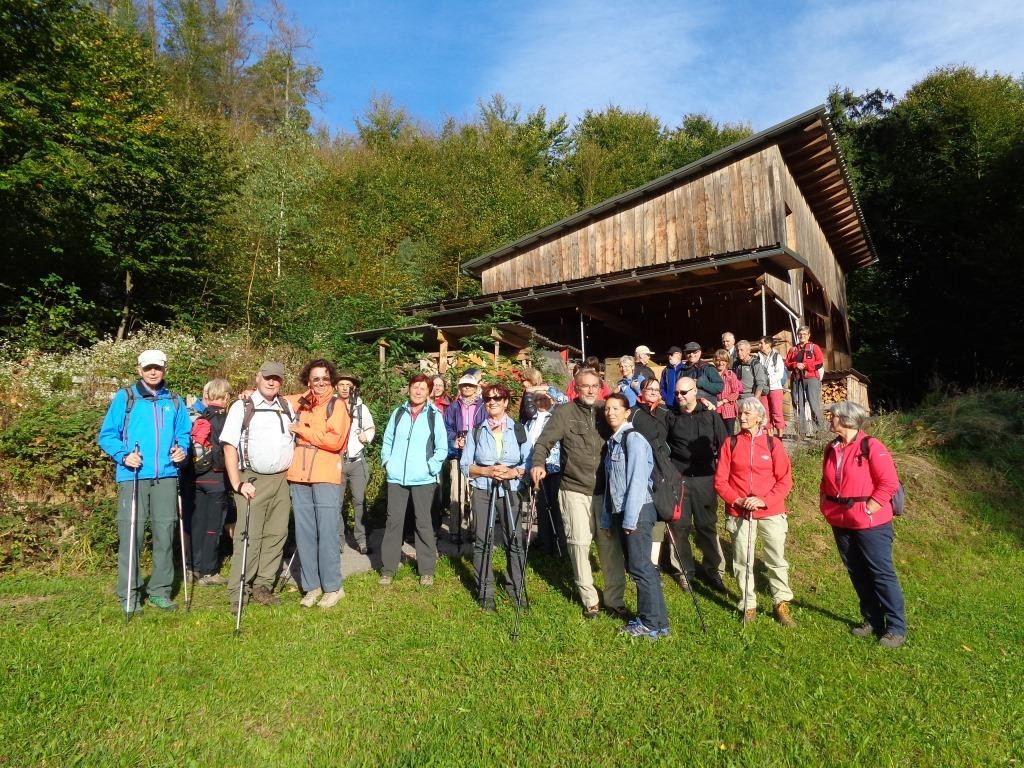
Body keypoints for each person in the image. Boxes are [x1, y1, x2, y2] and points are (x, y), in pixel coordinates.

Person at [98, 349, 191, 613]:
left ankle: (160, 591)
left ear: (165, 370)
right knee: (132, 537)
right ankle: (130, 594)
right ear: (139, 369)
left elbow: (184, 433)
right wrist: (124, 455)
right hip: (134, 476)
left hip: (167, 476)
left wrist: (181, 449)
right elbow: (107, 435)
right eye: (148, 367)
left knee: (165, 535)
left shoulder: (174, 401)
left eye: (158, 368)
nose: (153, 372)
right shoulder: (126, 398)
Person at [530, 368, 627, 620]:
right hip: (574, 489)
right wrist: (538, 463)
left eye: (595, 386)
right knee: (579, 544)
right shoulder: (564, 413)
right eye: (586, 386)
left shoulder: (607, 411)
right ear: (576, 387)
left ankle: (614, 600)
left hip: (605, 493)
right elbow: (544, 442)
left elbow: (628, 433)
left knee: (610, 547)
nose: (591, 390)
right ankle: (590, 600)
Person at [820, 401, 907, 648]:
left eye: (833, 416)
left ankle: (896, 628)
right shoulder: (831, 448)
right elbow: (825, 482)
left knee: (880, 574)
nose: (830, 418)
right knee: (857, 572)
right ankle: (872, 620)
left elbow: (888, 483)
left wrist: (870, 507)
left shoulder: (872, 446)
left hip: (871, 524)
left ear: (846, 419)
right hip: (840, 521)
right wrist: (825, 504)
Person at [221, 362, 296, 613]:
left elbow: (314, 394)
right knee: (248, 537)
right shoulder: (242, 406)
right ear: (258, 378)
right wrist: (237, 483)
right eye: (267, 377)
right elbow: (229, 446)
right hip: (251, 480)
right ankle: (238, 590)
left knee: (277, 535)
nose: (272, 382)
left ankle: (263, 585)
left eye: (277, 378)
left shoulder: (286, 406)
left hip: (282, 479)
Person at [715, 398, 795, 625]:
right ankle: (748, 604)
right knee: (742, 559)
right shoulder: (730, 443)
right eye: (741, 413)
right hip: (739, 512)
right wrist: (737, 499)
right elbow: (721, 481)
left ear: (760, 417)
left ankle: (781, 602)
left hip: (771, 511)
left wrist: (763, 501)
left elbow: (784, 481)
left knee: (776, 558)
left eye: (748, 413)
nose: (742, 417)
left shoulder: (773, 444)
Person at [600, 393, 669, 639]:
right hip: (625, 511)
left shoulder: (634, 439)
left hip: (638, 510)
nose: (610, 412)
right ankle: (658, 622)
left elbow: (638, 482)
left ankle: (650, 623)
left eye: (616, 408)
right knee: (642, 567)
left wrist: (629, 520)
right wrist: (608, 519)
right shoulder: (613, 442)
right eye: (607, 408)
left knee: (640, 568)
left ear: (627, 412)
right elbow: (612, 486)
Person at [284, 360, 351, 610]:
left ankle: (333, 587)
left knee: (327, 533)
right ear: (308, 381)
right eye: (315, 379)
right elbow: (280, 399)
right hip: (299, 475)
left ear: (331, 380)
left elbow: (334, 441)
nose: (320, 383)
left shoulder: (337, 405)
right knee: (304, 534)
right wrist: (253, 393)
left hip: (325, 475)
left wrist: (303, 430)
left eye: (324, 378)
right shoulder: (303, 400)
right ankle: (312, 586)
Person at [461, 383, 529, 610]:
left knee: (515, 539)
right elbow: (465, 466)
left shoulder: (519, 429)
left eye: (498, 398)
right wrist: (486, 471)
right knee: (482, 541)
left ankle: (516, 588)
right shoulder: (477, 431)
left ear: (506, 402)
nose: (492, 402)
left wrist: (513, 472)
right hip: (483, 489)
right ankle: (485, 592)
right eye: (488, 399)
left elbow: (528, 462)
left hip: (510, 490)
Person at [379, 374, 448, 586]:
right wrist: (387, 463)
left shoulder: (434, 415)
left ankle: (426, 569)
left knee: (423, 522)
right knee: (393, 522)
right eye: (414, 387)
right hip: (397, 477)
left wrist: (431, 467)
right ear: (408, 389)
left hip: (423, 479)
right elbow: (387, 439)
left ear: (429, 392)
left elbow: (442, 448)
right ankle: (388, 569)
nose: (418, 391)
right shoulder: (398, 413)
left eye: (422, 388)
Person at [665, 376, 728, 593]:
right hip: (680, 480)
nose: (679, 397)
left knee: (707, 526)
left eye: (684, 392)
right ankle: (684, 572)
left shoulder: (710, 416)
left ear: (695, 392)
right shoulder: (670, 417)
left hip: (705, 479)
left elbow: (725, 447)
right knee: (679, 528)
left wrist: (723, 478)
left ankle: (714, 571)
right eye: (676, 393)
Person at [190, 378, 233, 587]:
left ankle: (193, 566)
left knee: (198, 522)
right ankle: (209, 572)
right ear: (226, 397)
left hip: (196, 475)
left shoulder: (198, 416)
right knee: (213, 526)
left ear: (206, 396)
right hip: (216, 476)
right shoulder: (225, 419)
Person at [628, 378, 673, 565]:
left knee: (661, 513)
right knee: (641, 513)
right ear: (642, 391)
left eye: (656, 389)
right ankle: (638, 558)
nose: (654, 392)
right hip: (641, 470)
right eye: (649, 389)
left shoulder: (665, 412)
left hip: (663, 470)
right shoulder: (632, 413)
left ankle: (653, 562)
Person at [337, 371, 376, 556]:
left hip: (356, 460)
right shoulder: (331, 406)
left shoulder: (361, 408)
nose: (345, 388)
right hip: (335, 462)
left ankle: (362, 540)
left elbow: (370, 428)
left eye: (348, 385)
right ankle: (338, 540)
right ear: (336, 387)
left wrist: (366, 437)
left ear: (353, 388)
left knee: (359, 501)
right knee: (336, 503)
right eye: (342, 384)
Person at [523, 391, 566, 555]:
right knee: (540, 507)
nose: (541, 402)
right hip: (536, 468)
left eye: (545, 399)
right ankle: (544, 542)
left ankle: (559, 545)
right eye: (538, 399)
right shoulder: (530, 422)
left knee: (555, 507)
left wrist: (547, 388)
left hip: (553, 467)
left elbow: (564, 399)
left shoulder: (555, 415)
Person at [786, 325, 826, 436]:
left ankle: (819, 431)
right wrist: (795, 364)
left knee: (813, 404)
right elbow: (787, 364)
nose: (802, 336)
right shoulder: (793, 349)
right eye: (800, 334)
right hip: (797, 379)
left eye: (804, 334)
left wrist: (806, 366)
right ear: (797, 335)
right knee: (798, 404)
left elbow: (820, 362)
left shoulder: (814, 347)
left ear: (808, 335)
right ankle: (801, 431)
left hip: (811, 379)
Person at [758, 336, 787, 437]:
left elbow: (779, 374)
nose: (759, 345)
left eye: (761, 343)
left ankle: (780, 437)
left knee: (777, 412)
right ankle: (770, 437)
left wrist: (767, 381)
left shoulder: (776, 357)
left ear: (768, 344)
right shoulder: (758, 357)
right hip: (763, 389)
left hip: (775, 388)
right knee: (766, 413)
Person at [712, 349, 741, 434]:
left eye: (723, 360)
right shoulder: (712, 375)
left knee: (729, 434)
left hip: (728, 409)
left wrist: (723, 401)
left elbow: (735, 392)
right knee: (718, 433)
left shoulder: (730, 375)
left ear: (727, 362)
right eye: (718, 360)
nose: (720, 363)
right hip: (715, 409)